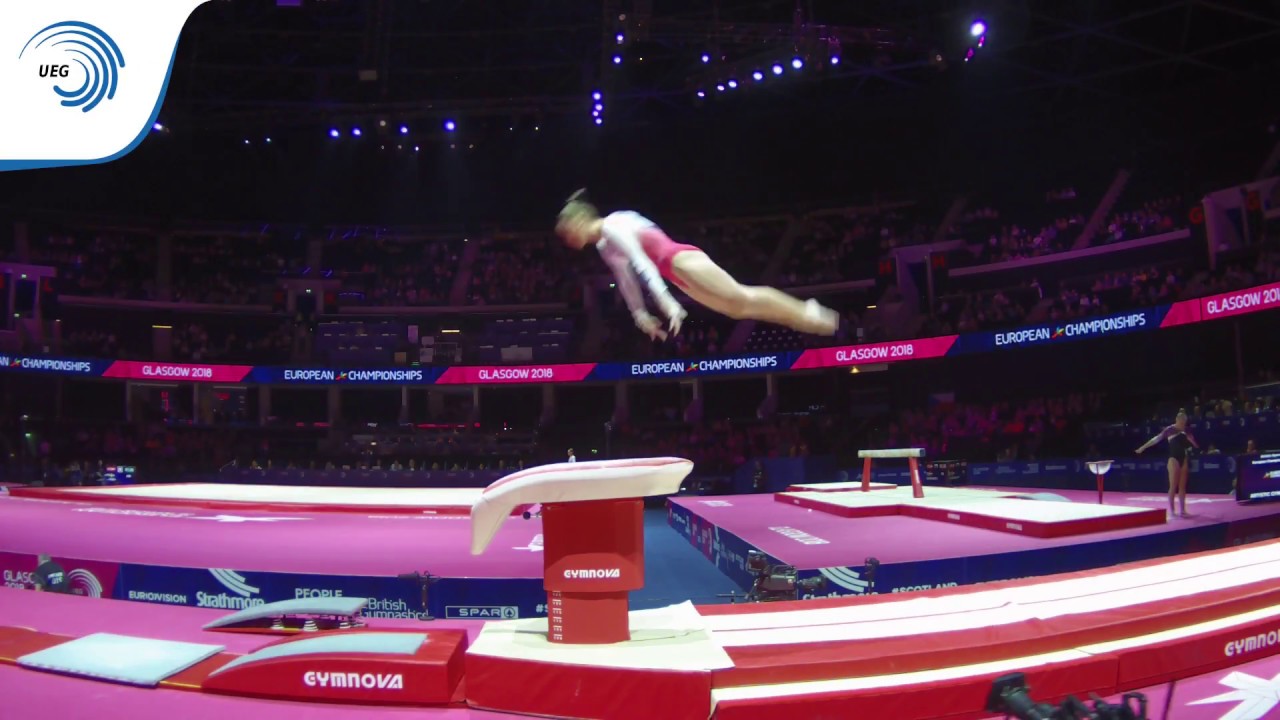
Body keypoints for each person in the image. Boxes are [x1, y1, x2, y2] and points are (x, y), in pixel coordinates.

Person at [556, 190, 839, 341]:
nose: (568, 240)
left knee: (741, 295)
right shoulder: (604, 246)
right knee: (737, 309)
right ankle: (798, 318)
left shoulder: (613, 224)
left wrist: (667, 304)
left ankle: (806, 310)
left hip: (680, 259)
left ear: (579, 220)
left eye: (567, 232)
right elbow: (627, 282)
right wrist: (641, 317)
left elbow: (643, 263)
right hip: (675, 274)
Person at [1136, 410, 1200, 518]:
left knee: (1182, 486)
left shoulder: (1186, 430)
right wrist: (1142, 448)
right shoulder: (1170, 429)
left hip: (1183, 458)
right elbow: (1156, 439)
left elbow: (1196, 446)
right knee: (1173, 485)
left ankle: (1183, 510)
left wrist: (1192, 440)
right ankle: (1172, 510)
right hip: (1173, 459)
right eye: (1181, 422)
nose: (1183, 424)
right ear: (1177, 420)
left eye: (1184, 422)